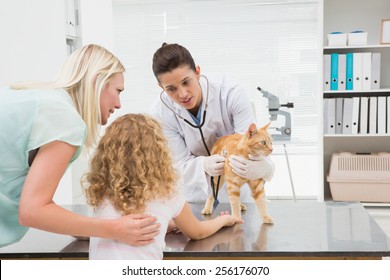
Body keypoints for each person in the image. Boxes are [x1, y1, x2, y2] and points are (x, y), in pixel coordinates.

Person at [0, 44, 160, 248]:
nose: (119, 104)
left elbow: (32, 199)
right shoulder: (64, 118)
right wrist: (115, 229)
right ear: (97, 82)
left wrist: (85, 228)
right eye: (118, 91)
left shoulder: (37, 96)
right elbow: (32, 210)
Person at [83, 113, 242, 260]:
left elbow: (132, 223)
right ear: (157, 152)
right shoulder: (167, 194)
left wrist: (169, 223)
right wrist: (224, 219)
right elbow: (197, 232)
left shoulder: (101, 193)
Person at [150, 43, 275, 203]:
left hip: (240, 194)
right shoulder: (160, 113)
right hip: (195, 198)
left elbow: (250, 145)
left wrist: (265, 168)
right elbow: (178, 164)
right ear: (161, 87)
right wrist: (204, 165)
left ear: (197, 72)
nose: (182, 94)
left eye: (186, 82)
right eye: (171, 89)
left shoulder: (231, 93)